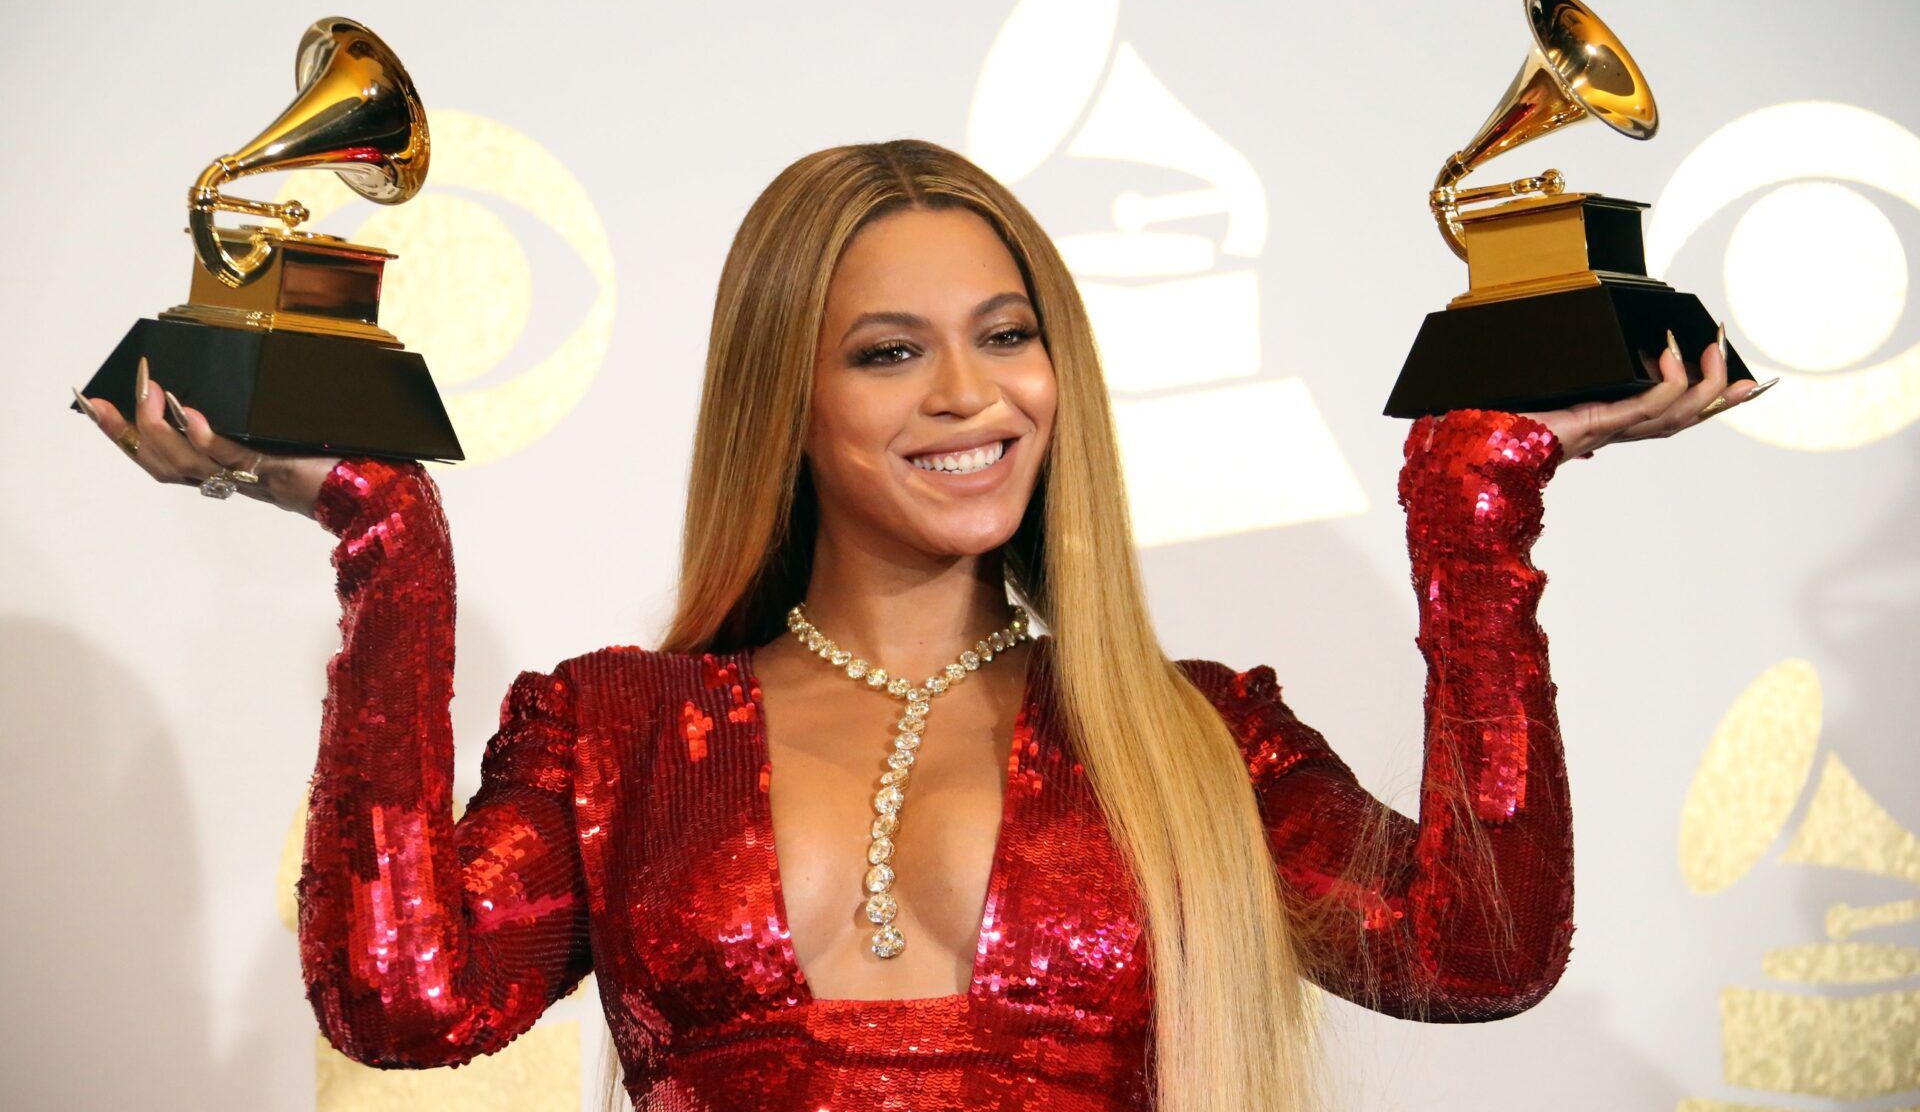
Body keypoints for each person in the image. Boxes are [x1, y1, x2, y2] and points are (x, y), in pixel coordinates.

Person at [74, 139, 1766, 1111]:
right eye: (890, 350)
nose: (972, 396)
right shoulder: (615, 734)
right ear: (786, 397)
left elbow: (1481, 951)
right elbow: (399, 998)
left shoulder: (1197, 739)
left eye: (1008, 334)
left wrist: (1476, 516)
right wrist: (388, 548)